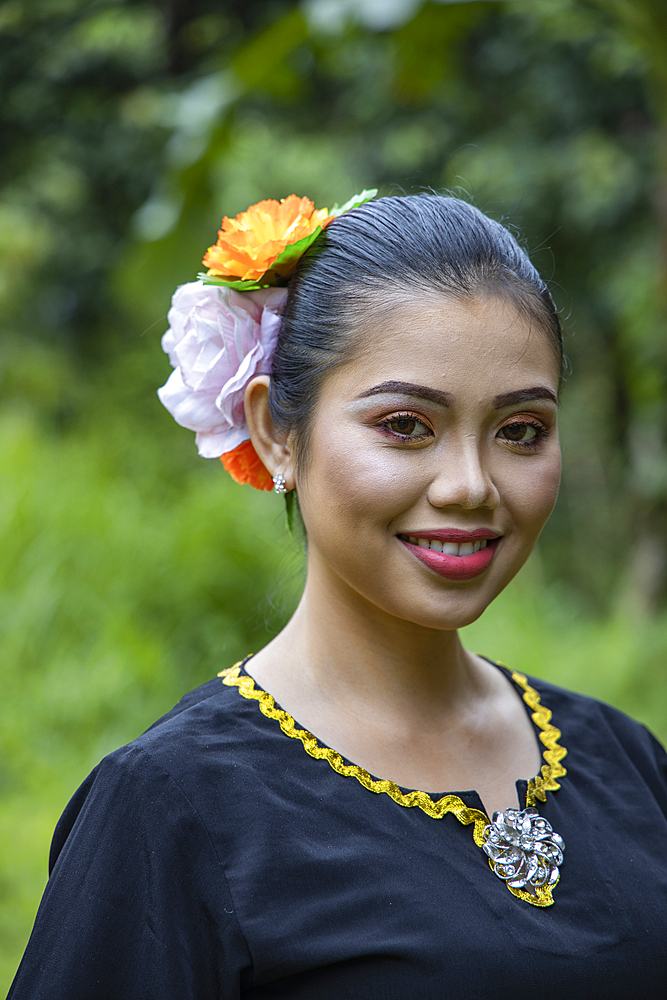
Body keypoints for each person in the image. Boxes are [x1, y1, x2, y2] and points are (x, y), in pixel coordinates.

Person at [9, 192, 667, 999]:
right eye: (403, 425)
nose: (470, 486)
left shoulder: (625, 761)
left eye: (519, 431)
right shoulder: (171, 807)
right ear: (276, 432)